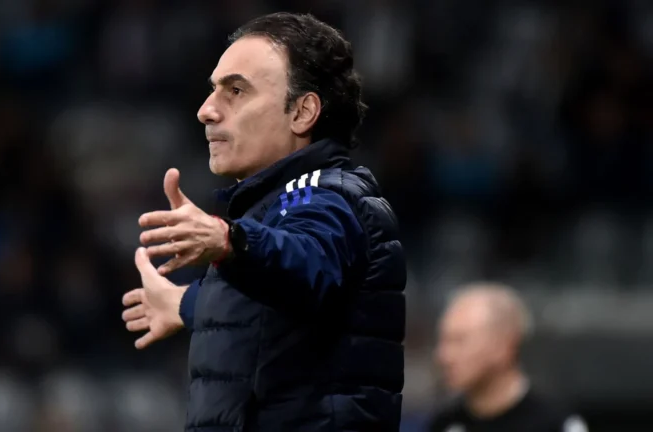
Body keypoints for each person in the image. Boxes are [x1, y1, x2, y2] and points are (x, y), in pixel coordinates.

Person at [120, 12, 406, 431]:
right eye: (213, 90)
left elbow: (306, 263)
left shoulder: (328, 194)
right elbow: (264, 307)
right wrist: (183, 304)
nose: (205, 111)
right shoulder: (272, 210)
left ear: (303, 112)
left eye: (236, 90)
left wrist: (230, 240)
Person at [429, 282, 589, 432]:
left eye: (459, 341)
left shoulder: (556, 424)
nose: (444, 356)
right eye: (442, 341)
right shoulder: (444, 424)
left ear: (504, 346)